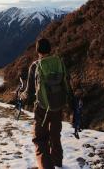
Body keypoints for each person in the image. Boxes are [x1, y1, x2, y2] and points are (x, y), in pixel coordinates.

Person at [20, 38, 73, 169]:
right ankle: (57, 163)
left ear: (38, 50)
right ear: (50, 49)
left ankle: (45, 166)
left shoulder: (35, 66)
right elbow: (66, 81)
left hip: (42, 108)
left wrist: (21, 95)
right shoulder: (59, 62)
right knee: (55, 135)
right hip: (57, 105)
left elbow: (30, 92)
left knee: (40, 139)